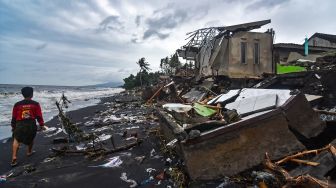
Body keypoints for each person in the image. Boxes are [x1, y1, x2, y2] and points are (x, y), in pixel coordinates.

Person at [11, 87, 46, 166]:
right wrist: (41, 124)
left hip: (19, 124)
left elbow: (14, 117)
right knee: (31, 137)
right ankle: (29, 152)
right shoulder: (35, 104)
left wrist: (13, 126)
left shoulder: (17, 104)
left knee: (16, 139)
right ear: (32, 94)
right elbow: (39, 116)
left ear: (22, 94)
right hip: (31, 123)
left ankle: (14, 156)